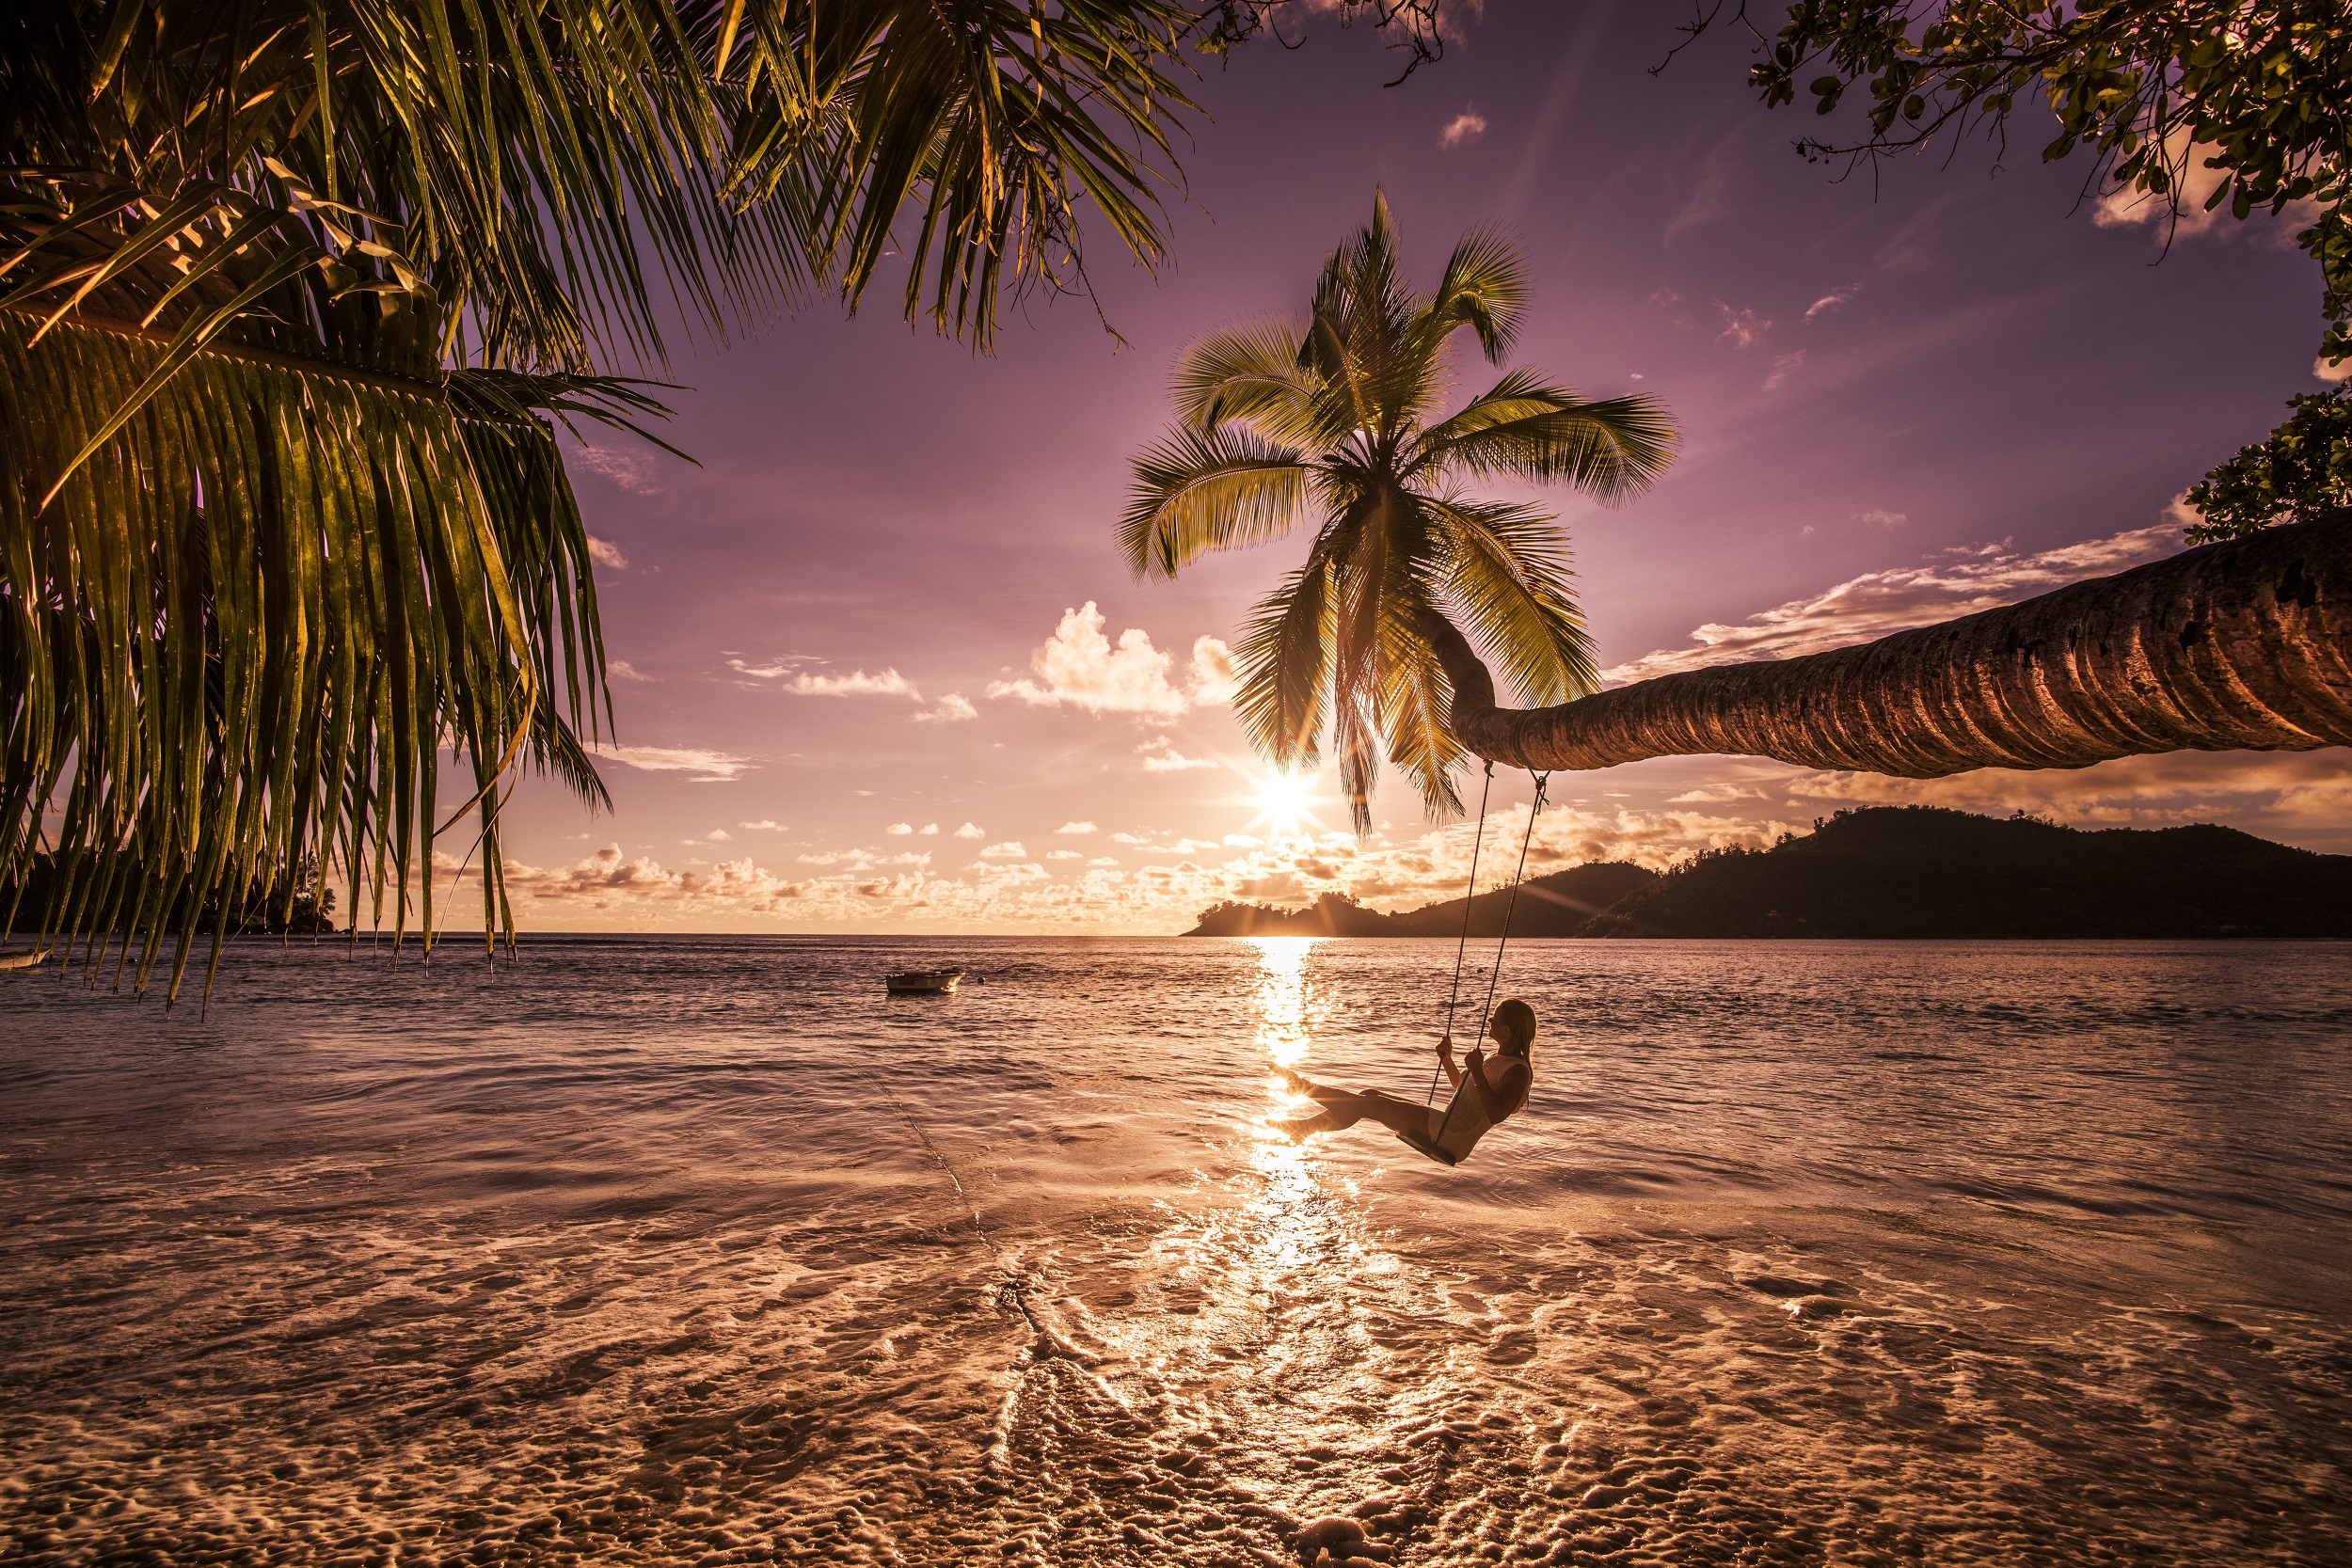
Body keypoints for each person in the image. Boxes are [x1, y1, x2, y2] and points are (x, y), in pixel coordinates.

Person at [1271, 998, 1536, 1166]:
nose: (1489, 1019)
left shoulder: (1518, 1071)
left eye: (1496, 1017)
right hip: (1448, 1123)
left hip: (1455, 1135)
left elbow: (1497, 1113)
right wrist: (1447, 1060)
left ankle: (1302, 1088)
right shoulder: (1493, 1057)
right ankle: (1304, 1127)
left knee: (1369, 1104)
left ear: (1507, 1030)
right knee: (1369, 1095)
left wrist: (1477, 1071)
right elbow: (1465, 1091)